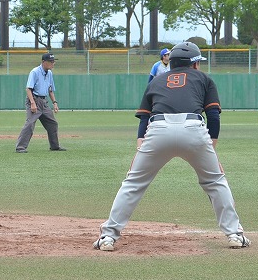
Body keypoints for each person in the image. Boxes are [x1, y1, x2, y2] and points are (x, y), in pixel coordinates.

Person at [94, 41, 248, 251]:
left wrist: (141, 140)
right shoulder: (204, 79)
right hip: (193, 128)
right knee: (215, 181)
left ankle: (108, 237)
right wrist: (211, 143)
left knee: (133, 183)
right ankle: (234, 235)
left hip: (158, 129)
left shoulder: (157, 81)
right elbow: (213, 115)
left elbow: (144, 117)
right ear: (194, 64)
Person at [15, 53, 66, 153]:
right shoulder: (35, 72)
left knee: (52, 123)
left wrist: (54, 102)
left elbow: (50, 90)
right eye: (50, 61)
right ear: (43, 62)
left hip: (44, 101)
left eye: (53, 61)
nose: (53, 63)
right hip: (34, 99)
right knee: (30, 123)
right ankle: (20, 147)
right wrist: (32, 103)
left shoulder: (49, 73)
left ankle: (55, 146)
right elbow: (28, 89)